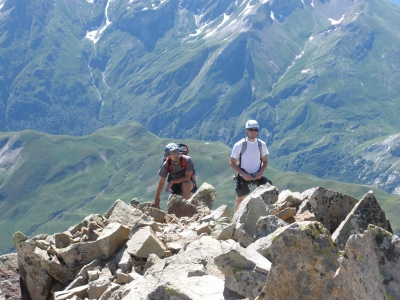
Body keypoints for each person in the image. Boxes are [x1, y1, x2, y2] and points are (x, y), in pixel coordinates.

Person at [230, 120, 270, 212]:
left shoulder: (261, 145)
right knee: (240, 199)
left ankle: (267, 214)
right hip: (244, 175)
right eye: (251, 129)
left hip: (257, 174)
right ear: (246, 130)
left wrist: (260, 173)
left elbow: (265, 161)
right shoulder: (239, 145)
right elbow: (232, 162)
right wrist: (243, 174)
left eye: (255, 130)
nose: (253, 132)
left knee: (268, 194)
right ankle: (235, 220)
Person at [151, 143, 195, 209]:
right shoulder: (166, 165)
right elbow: (161, 182)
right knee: (175, 205)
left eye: (177, 151)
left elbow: (187, 178)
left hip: (188, 183)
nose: (176, 154)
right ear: (168, 155)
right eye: (172, 152)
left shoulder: (187, 160)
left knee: (185, 185)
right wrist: (156, 198)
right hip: (175, 186)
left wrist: (172, 182)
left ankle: (187, 208)